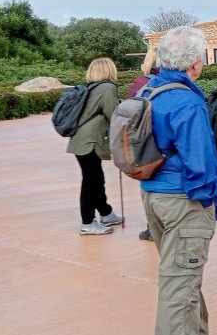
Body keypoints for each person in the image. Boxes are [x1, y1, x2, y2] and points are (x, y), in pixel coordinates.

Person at [140, 26, 217, 334]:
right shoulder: (186, 101)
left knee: (183, 280)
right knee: (179, 289)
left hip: (154, 196)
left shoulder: (149, 90)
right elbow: (200, 162)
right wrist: (209, 203)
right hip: (182, 201)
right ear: (195, 63)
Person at [67, 57, 123, 235]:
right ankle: (87, 222)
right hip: (89, 141)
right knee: (91, 182)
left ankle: (106, 213)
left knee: (96, 179)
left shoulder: (91, 87)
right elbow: (114, 113)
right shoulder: (107, 87)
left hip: (81, 139)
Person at [128, 48, 159, 241]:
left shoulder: (140, 82)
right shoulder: (164, 82)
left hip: (142, 141)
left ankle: (151, 226)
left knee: (148, 183)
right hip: (159, 140)